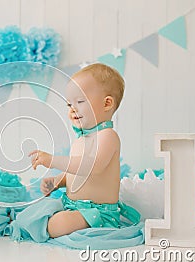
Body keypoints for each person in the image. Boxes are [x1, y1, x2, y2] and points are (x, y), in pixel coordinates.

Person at [29, 63, 140, 238]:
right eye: (68, 104)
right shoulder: (81, 140)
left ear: (107, 103)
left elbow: (90, 167)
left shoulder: (107, 136)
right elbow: (78, 174)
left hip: (98, 213)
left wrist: (52, 160)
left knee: (58, 224)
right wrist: (59, 181)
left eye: (80, 102)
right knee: (37, 211)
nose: (72, 109)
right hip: (73, 206)